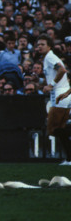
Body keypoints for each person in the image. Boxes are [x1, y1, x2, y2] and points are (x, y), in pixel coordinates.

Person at [37, 35, 71, 165]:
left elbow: (62, 70)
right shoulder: (48, 58)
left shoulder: (50, 57)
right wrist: (39, 81)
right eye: (38, 45)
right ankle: (69, 158)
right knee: (59, 129)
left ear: (49, 46)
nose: (39, 46)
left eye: (42, 44)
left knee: (53, 129)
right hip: (61, 94)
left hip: (60, 95)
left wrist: (51, 84)